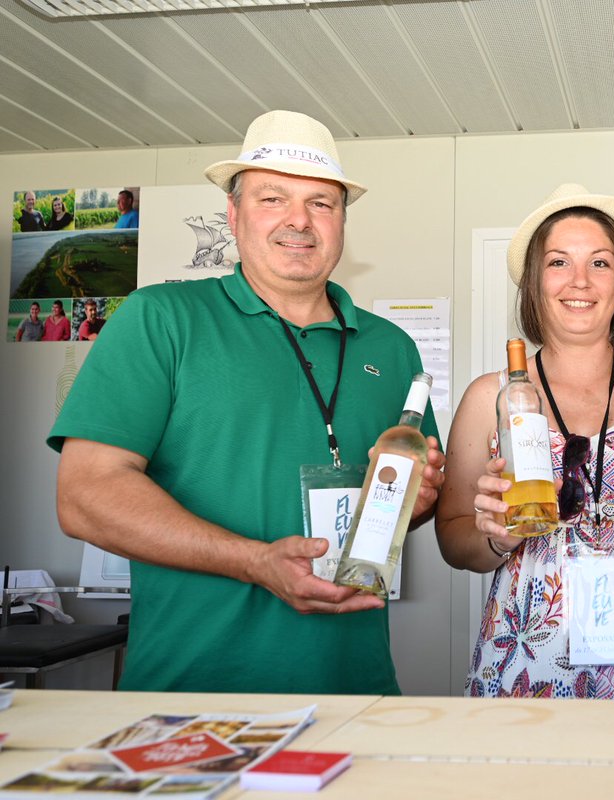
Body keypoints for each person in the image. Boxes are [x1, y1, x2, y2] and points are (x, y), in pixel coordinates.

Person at [48, 110, 445, 694]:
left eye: (321, 203)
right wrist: (254, 561)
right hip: (194, 695)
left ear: (341, 221)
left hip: (359, 690)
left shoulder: (392, 347)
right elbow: (84, 496)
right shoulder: (160, 318)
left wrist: (419, 498)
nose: (299, 221)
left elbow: (408, 508)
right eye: (273, 198)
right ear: (233, 215)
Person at [435, 183, 614, 699]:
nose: (580, 281)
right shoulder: (491, 396)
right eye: (558, 262)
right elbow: (453, 540)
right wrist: (495, 536)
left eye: (600, 263)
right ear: (532, 283)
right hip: (527, 652)